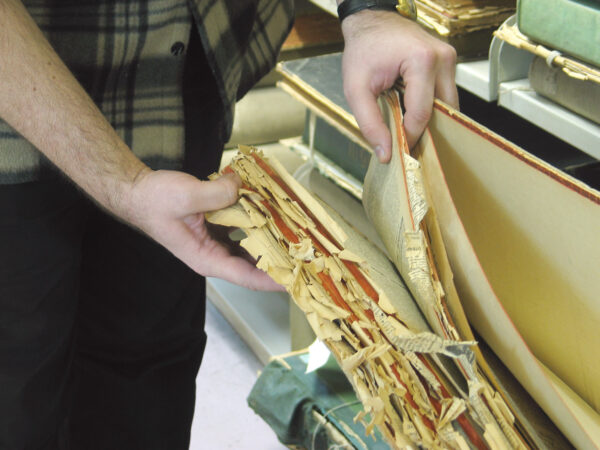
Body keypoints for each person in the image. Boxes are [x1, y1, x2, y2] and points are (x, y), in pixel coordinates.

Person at [0, 0, 459, 448]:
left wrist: (367, 10)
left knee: (147, 384)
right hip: (15, 108)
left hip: (182, 72)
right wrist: (125, 183)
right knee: (16, 394)